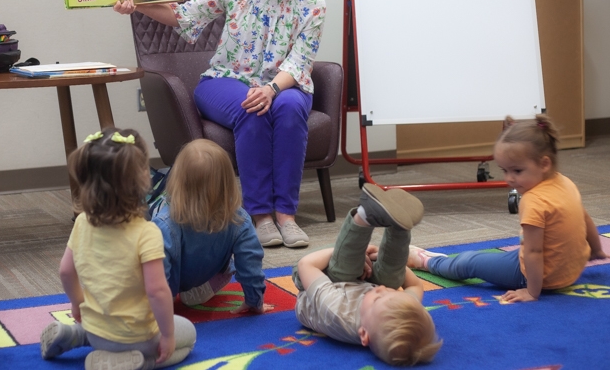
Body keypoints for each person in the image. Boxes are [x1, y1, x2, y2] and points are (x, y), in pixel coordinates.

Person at [114, 0, 326, 249]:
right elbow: (185, 16)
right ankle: (261, 216)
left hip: (283, 84)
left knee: (291, 107)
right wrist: (137, 4)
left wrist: (272, 89)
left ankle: (286, 214)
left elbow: (300, 61)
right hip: (224, 80)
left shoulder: (313, 4)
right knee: (251, 108)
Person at [39, 127, 196, 370]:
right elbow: (157, 291)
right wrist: (167, 335)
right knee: (188, 335)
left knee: (96, 330)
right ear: (143, 179)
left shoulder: (81, 223)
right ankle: (138, 362)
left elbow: (66, 272)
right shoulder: (146, 233)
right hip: (137, 338)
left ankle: (74, 335)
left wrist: (77, 303)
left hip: (95, 329)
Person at [408, 114, 607, 302]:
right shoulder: (565, 182)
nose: (509, 179)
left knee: (468, 263)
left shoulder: (534, 200)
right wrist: (596, 251)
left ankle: (427, 262)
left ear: (544, 163)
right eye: (505, 170)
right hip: (570, 271)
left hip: (540, 277)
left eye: (517, 170)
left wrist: (532, 291)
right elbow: (586, 219)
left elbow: (534, 252)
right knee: (493, 258)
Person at [293, 184, 442, 366]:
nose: (381, 289)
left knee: (344, 270)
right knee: (392, 279)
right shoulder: (399, 311)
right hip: (358, 284)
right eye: (389, 294)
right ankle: (400, 228)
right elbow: (415, 285)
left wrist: (353, 252)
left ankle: (364, 216)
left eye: (377, 298)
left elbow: (306, 265)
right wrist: (383, 256)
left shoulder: (337, 311)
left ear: (364, 334)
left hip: (317, 278)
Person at [152, 139, 268, 312]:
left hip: (167, 289)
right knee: (230, 267)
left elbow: (157, 274)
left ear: (177, 180)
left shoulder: (164, 223)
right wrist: (254, 300)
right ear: (227, 183)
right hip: (205, 275)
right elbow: (250, 262)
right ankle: (196, 291)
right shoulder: (239, 218)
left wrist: (163, 315)